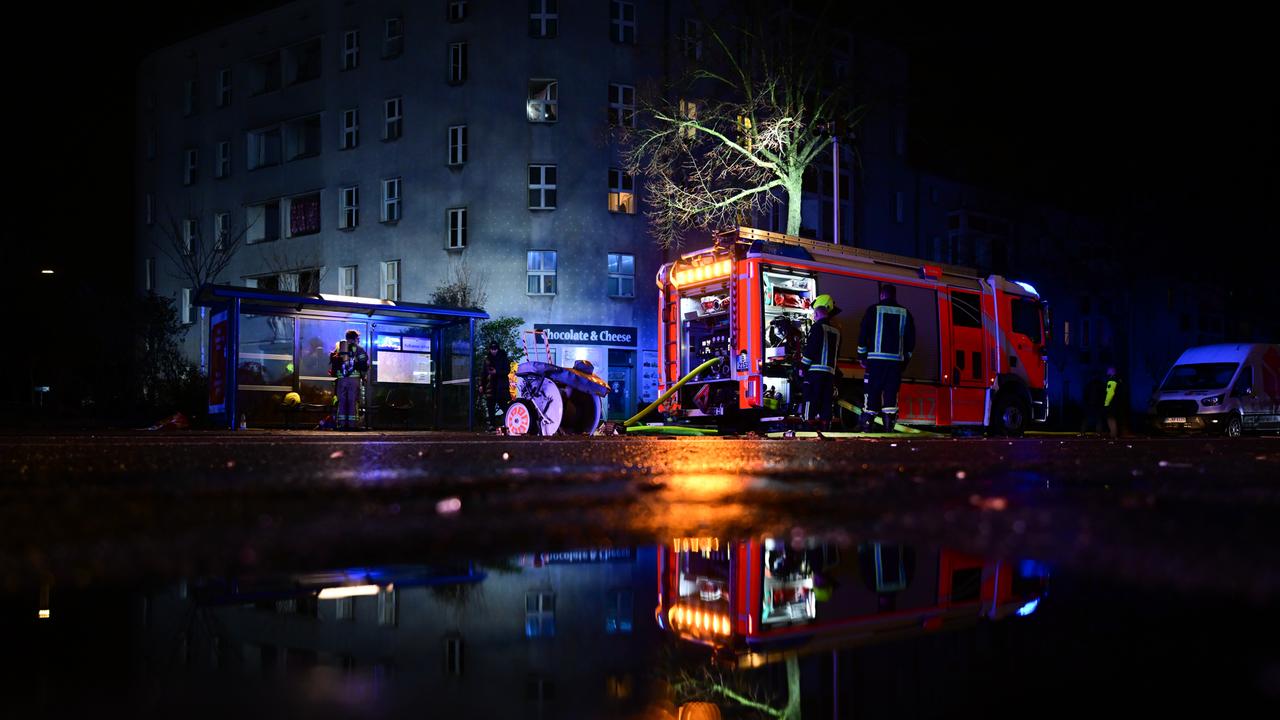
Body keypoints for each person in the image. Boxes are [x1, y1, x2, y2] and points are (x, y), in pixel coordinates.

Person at [856, 284, 916, 432]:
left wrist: (862, 357)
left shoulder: (873, 310)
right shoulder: (905, 313)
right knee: (890, 397)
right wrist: (904, 362)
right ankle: (889, 430)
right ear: (894, 296)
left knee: (871, 395)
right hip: (895, 364)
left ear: (882, 295)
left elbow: (863, 335)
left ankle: (867, 429)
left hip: (875, 363)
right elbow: (910, 342)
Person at [800, 294, 842, 430]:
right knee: (826, 402)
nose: (814, 317)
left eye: (814, 314)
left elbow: (811, 349)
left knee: (810, 399)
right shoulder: (837, 331)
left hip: (815, 372)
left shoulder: (817, 327)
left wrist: (802, 367)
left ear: (818, 314)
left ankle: (808, 426)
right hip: (829, 373)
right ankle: (826, 427)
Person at [329, 329, 369, 430]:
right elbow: (364, 364)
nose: (358, 340)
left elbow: (334, 363)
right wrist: (363, 375)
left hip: (341, 380)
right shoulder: (359, 349)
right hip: (354, 380)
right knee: (352, 402)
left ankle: (341, 425)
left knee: (342, 402)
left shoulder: (338, 348)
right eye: (358, 339)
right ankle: (352, 425)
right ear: (355, 338)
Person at [484, 341, 511, 429]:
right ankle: (492, 425)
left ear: (498, 349)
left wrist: (497, 372)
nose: (493, 351)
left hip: (501, 387)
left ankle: (508, 423)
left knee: (503, 405)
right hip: (491, 387)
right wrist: (481, 385)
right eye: (492, 349)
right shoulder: (487, 359)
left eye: (495, 349)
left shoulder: (503, 358)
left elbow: (507, 370)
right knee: (490, 407)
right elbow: (483, 373)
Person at [1080, 370, 1106, 437]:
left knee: (1087, 419)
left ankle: (1083, 432)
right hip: (1097, 404)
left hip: (1091, 404)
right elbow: (1103, 394)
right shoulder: (1100, 384)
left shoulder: (1089, 384)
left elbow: (1085, 394)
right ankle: (1098, 433)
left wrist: (1085, 402)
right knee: (1098, 419)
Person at [1103, 365, 1126, 438]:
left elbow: (1110, 393)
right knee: (1116, 419)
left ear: (1112, 372)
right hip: (1118, 403)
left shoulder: (1111, 380)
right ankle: (1116, 434)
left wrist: (1106, 403)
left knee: (1110, 418)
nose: (1107, 371)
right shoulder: (1119, 380)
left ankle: (1113, 434)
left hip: (1112, 403)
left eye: (1109, 370)